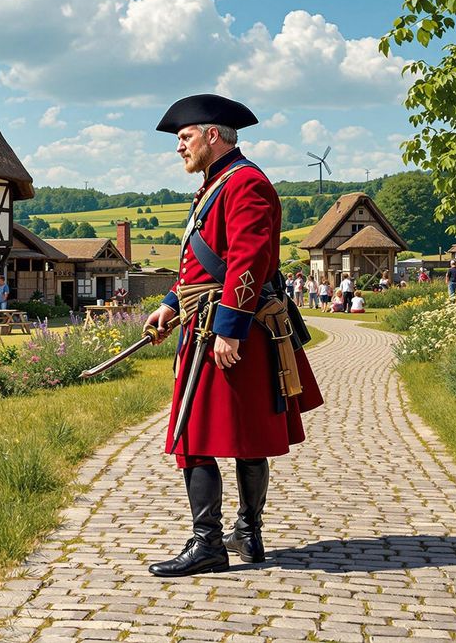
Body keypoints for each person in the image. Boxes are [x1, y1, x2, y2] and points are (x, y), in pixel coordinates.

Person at [142, 93, 323, 578]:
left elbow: (248, 261)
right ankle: (244, 534)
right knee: (225, 435)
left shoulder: (246, 184)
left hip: (228, 330)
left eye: (185, 138)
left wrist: (229, 329)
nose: (179, 148)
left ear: (212, 135)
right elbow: (203, 262)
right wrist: (167, 305)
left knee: (200, 435)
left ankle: (215, 542)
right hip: (205, 322)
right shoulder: (215, 184)